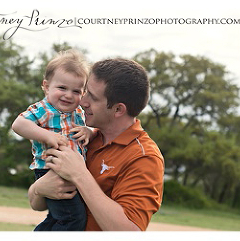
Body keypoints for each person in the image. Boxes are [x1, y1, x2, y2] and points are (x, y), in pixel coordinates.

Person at [28, 58, 164, 231]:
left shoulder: (144, 157)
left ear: (118, 110)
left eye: (92, 96)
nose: (82, 101)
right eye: (85, 92)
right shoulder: (82, 136)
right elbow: (37, 205)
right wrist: (38, 189)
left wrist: (79, 174)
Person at [11, 49, 95, 231]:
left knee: (59, 218)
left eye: (76, 91)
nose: (68, 95)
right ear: (46, 86)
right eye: (62, 88)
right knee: (73, 219)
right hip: (51, 172)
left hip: (72, 172)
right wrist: (47, 135)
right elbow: (18, 124)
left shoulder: (78, 113)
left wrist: (88, 131)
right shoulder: (43, 109)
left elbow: (94, 131)